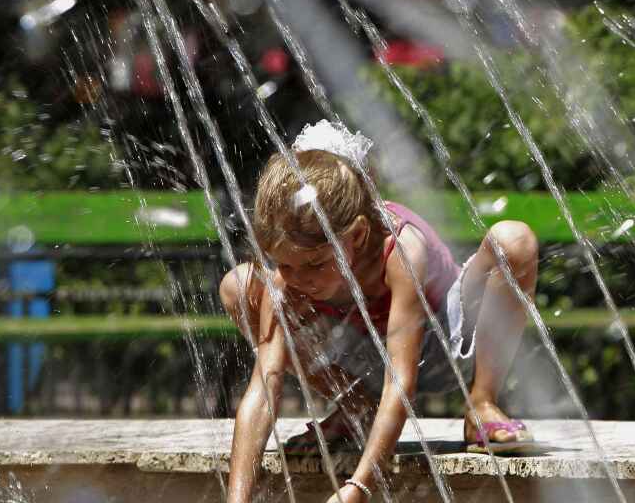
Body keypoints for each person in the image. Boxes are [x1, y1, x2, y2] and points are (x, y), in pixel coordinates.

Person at [218, 120, 539, 503]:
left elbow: (401, 382)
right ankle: (356, 409)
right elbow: (263, 387)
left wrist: (357, 488)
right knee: (239, 286)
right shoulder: (287, 282)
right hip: (365, 354)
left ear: (355, 235)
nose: (300, 278)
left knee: (514, 240)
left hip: (445, 345)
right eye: (286, 265)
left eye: (316, 264)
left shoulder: (400, 248)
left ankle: (482, 404)